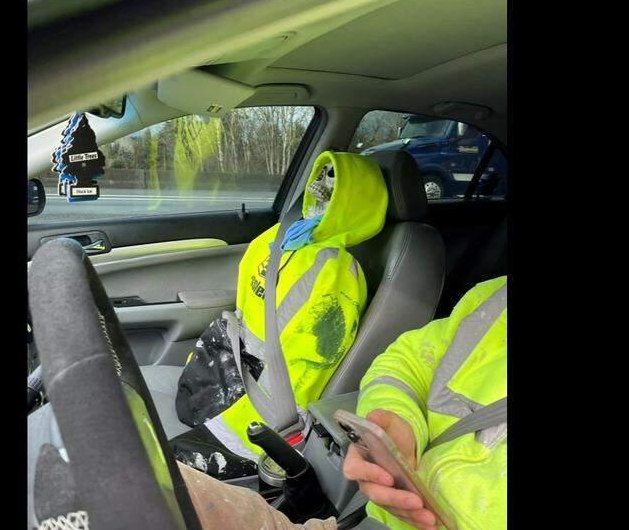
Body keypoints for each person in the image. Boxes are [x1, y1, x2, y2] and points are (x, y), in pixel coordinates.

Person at [177, 276, 508, 530]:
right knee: (155, 485)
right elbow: (406, 362)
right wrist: (395, 417)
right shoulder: (496, 297)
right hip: (372, 520)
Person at [170, 151, 389, 479]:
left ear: (353, 201)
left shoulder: (337, 274)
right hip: (232, 375)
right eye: (319, 176)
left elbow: (306, 370)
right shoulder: (279, 239)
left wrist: (257, 429)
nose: (317, 189)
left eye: (332, 182)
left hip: (260, 401)